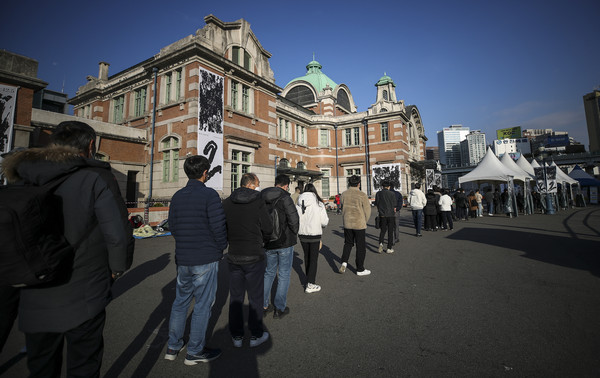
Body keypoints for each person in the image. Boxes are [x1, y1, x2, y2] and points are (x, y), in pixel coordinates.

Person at [1, 121, 134, 377]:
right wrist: (117, 269)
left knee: (40, 366)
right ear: (91, 146)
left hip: (34, 288)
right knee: (83, 363)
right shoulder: (95, 176)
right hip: (85, 289)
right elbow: (118, 234)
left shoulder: (22, 174)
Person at [164, 155, 227, 364]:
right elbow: (219, 227)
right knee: (202, 305)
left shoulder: (177, 196)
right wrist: (220, 247)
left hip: (184, 257)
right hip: (205, 256)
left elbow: (172, 225)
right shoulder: (210, 195)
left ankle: (173, 346)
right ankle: (194, 350)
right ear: (205, 173)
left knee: (180, 302)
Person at [223, 173, 272, 348]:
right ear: (251, 185)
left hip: (234, 254)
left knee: (235, 297)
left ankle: (236, 335)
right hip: (254, 254)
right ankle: (256, 334)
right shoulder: (258, 201)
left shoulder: (227, 202)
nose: (258, 187)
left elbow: (223, 227)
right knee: (255, 297)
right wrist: (263, 240)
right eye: (257, 184)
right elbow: (267, 227)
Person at [261, 174, 299, 319]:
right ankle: (279, 308)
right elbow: (294, 219)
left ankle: (264, 305)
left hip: (268, 242)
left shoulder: (262, 197)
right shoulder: (285, 197)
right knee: (283, 275)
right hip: (285, 241)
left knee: (268, 273)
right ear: (285, 185)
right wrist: (293, 234)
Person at [296, 183, 329, 293]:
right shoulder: (318, 203)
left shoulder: (299, 202)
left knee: (307, 256)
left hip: (302, 233)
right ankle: (311, 283)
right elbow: (324, 221)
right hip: (315, 233)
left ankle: (308, 280)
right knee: (313, 258)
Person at [339, 175, 372, 275]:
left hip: (347, 222)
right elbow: (367, 210)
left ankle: (344, 262)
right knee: (360, 246)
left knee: (348, 243)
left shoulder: (344, 194)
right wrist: (364, 220)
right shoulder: (362, 194)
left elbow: (341, 206)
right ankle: (360, 268)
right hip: (359, 223)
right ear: (359, 183)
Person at [375, 180, 397, 253]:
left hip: (382, 214)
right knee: (390, 231)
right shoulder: (392, 194)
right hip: (390, 214)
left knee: (383, 230)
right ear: (389, 187)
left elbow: (377, 203)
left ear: (382, 186)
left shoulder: (378, 194)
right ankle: (389, 248)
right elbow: (394, 204)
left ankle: (381, 243)